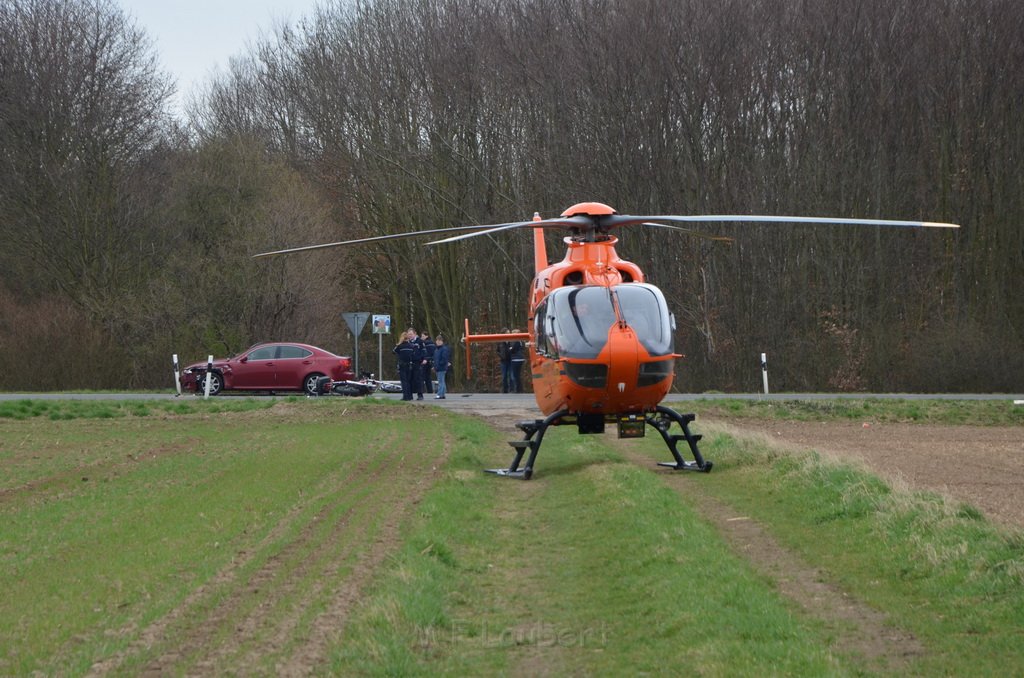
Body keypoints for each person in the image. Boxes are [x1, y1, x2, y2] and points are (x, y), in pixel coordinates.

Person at [393, 329, 422, 401]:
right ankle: (409, 396)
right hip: (410, 365)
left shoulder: (399, 346)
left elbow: (393, 351)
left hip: (402, 365)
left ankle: (405, 396)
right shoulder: (411, 346)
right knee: (409, 381)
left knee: (404, 381)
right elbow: (414, 354)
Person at [433, 334, 451, 399]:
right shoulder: (436, 350)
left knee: (440, 381)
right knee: (442, 381)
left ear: (442, 341)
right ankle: (442, 394)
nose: (438, 342)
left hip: (441, 367)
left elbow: (444, 359)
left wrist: (439, 365)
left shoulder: (444, 349)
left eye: (439, 341)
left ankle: (440, 394)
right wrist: (435, 366)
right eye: (437, 340)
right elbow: (435, 359)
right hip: (438, 367)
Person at [497, 328, 512, 393]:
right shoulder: (500, 341)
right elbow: (497, 350)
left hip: (511, 360)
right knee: (504, 376)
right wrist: (501, 356)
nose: (509, 334)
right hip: (503, 361)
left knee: (511, 376)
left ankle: (511, 389)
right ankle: (505, 390)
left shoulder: (511, 341)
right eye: (508, 333)